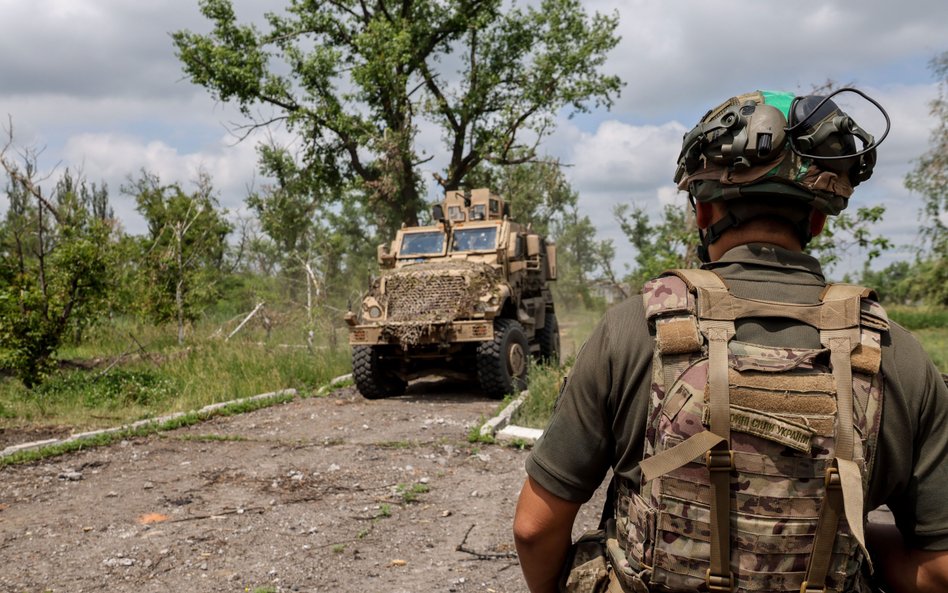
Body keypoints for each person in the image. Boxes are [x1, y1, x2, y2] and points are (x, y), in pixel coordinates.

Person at [512, 89, 948, 593]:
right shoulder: (898, 355)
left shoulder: (632, 331)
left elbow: (534, 528)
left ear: (702, 212)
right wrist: (854, 539)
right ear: (819, 220)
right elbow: (938, 571)